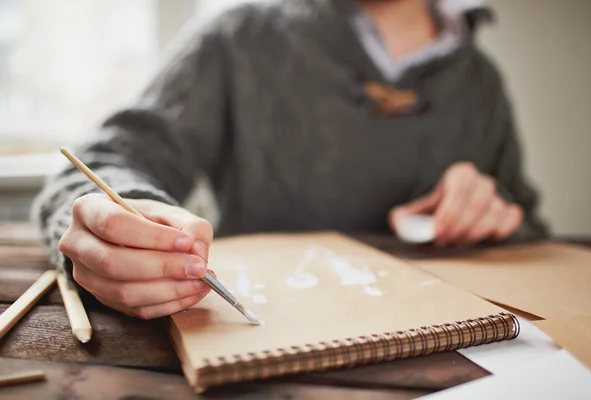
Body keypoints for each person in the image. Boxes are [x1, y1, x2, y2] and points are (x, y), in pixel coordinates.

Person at [33, 0, 548, 320]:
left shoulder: (480, 79)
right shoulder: (238, 37)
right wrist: (125, 220)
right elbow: (109, 160)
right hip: (264, 351)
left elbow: (530, 229)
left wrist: (495, 212)